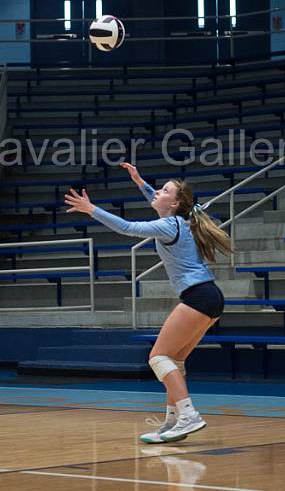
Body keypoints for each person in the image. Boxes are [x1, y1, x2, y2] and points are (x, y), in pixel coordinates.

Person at [63, 162, 230, 443]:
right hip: (210, 296)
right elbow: (159, 200)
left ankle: (189, 415)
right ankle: (174, 421)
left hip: (199, 296)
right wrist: (141, 182)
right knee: (175, 360)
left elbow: (128, 227)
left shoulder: (168, 224)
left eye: (164, 190)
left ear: (176, 203)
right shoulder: (180, 219)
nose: (157, 192)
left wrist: (92, 209)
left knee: (157, 357)